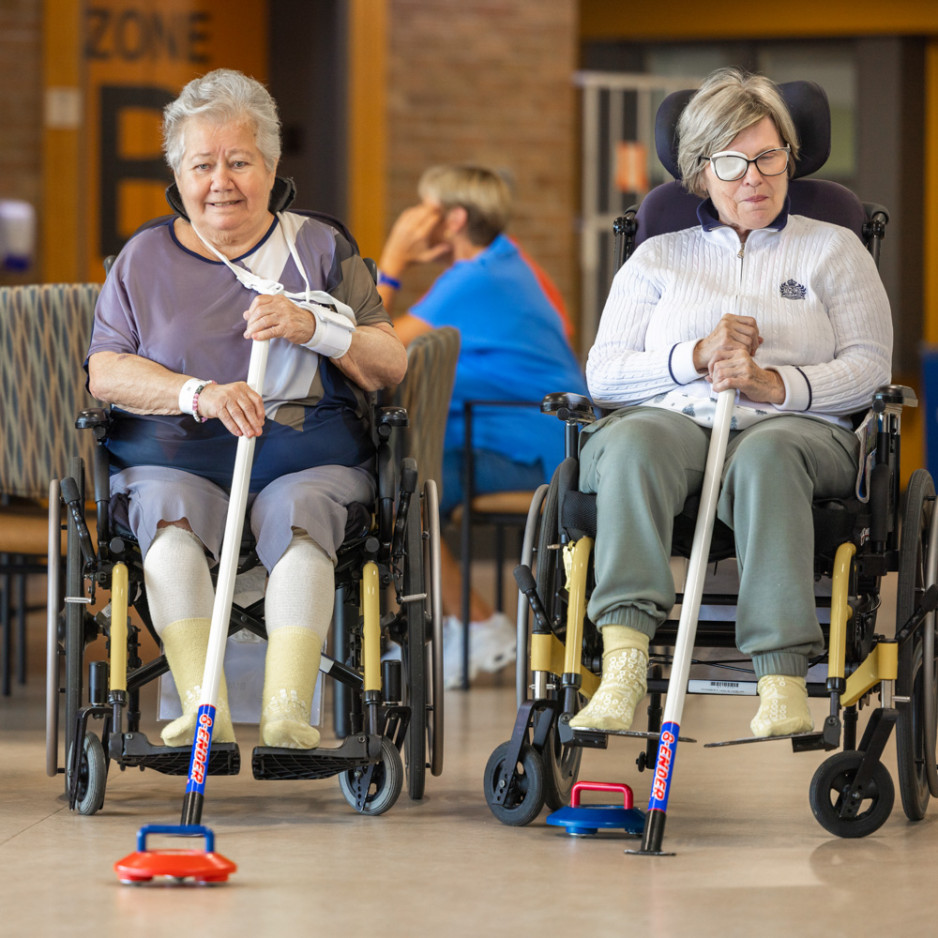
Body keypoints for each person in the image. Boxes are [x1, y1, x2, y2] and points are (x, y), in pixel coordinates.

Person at [86, 69, 407, 750]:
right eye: (203, 164)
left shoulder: (322, 247)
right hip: (176, 451)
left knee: (303, 514)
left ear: (270, 166)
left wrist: (312, 326)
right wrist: (196, 393)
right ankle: (205, 708)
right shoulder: (143, 257)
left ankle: (291, 710)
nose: (220, 181)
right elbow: (106, 371)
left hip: (303, 450)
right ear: (179, 171)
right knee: (166, 518)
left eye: (239, 161)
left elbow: (389, 363)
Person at [567, 68, 893, 738]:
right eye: (732, 161)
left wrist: (776, 385)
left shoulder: (836, 250)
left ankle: (779, 678)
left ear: (788, 159)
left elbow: (870, 369)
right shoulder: (657, 259)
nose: (754, 177)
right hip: (680, 426)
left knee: (768, 456)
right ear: (699, 171)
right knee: (631, 442)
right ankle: (625, 660)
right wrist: (694, 357)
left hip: (800, 432)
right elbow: (604, 373)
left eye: (768, 156)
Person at [376, 164, 588, 687]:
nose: (415, 219)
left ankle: (473, 624)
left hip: (531, 452)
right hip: (521, 437)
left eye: (424, 209)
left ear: (453, 219)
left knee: (400, 487)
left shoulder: (475, 279)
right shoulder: (501, 261)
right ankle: (456, 624)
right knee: (400, 475)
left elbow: (374, 340)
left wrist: (395, 257)